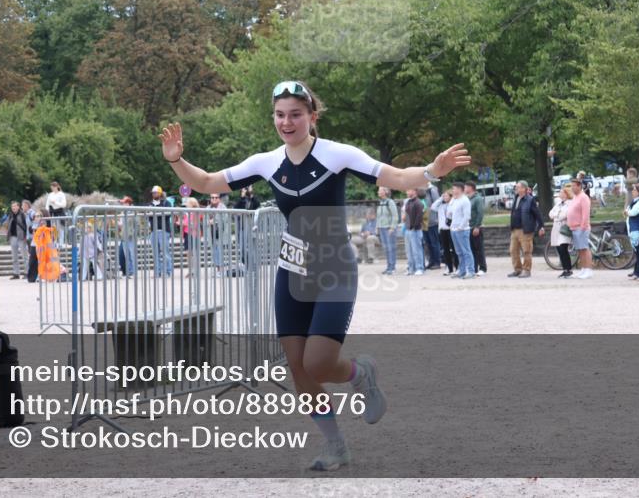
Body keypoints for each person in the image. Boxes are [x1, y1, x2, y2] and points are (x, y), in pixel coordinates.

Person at [157, 79, 470, 472]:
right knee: (299, 369)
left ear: (312, 117)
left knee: (320, 363)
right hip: (291, 272)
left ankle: (360, 372)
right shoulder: (266, 162)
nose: (286, 122)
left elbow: (396, 177)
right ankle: (335, 445)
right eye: (280, 115)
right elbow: (205, 183)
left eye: (295, 114)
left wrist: (430, 170)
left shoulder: (337, 154)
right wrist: (176, 160)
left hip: (335, 267)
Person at [507, 181, 545, 278]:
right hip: (515, 230)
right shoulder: (516, 198)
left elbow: (537, 214)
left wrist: (541, 226)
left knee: (526, 251)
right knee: (513, 250)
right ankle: (517, 269)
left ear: (524, 189)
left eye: (518, 187)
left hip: (525, 230)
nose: (516, 188)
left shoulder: (530, 200)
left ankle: (526, 270)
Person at [567, 178, 593, 279]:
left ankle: (589, 269)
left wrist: (583, 227)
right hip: (574, 227)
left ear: (579, 186)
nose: (572, 188)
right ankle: (583, 268)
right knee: (580, 250)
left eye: (573, 186)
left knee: (585, 249)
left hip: (581, 227)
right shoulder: (575, 197)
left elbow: (585, 213)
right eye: (571, 186)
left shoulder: (583, 197)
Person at [148, 185, 175, 277]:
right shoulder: (151, 204)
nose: (154, 194)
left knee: (165, 252)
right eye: (153, 193)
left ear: (160, 193)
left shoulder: (166, 203)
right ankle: (157, 272)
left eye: (155, 192)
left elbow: (167, 215)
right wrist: (157, 214)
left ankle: (168, 271)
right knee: (155, 253)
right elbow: (149, 217)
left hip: (164, 230)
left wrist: (154, 213)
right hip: (154, 231)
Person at [448, 182, 474, 278]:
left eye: (454, 188)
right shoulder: (455, 200)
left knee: (466, 251)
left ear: (459, 189)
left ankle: (470, 271)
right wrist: (451, 201)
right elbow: (449, 213)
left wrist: (460, 227)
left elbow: (467, 216)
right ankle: (462, 270)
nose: (453, 190)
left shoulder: (465, 200)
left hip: (462, 230)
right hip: (453, 229)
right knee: (458, 252)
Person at [549, 186, 574, 278]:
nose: (560, 194)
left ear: (566, 194)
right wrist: (556, 215)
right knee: (559, 250)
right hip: (556, 228)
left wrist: (556, 215)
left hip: (564, 228)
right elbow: (550, 213)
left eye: (561, 192)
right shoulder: (558, 203)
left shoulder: (570, 204)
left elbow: (564, 215)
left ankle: (569, 269)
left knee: (563, 249)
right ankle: (565, 269)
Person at [464, 181, 487, 276]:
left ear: (471, 188)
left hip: (475, 227)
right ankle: (474, 267)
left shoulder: (477, 199)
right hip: (468, 227)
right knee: (472, 249)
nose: (464, 189)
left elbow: (480, 213)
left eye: (465, 187)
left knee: (479, 248)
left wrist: (477, 226)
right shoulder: (467, 198)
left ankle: (483, 268)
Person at [375, 187, 399, 275]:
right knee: (386, 248)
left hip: (388, 228)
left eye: (379, 190)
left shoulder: (390, 202)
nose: (378, 192)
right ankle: (389, 267)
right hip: (381, 228)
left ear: (385, 192)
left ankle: (392, 267)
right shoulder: (381, 202)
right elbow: (378, 217)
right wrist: (377, 227)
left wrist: (392, 227)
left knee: (391, 248)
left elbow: (395, 216)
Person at [402, 189, 425, 275]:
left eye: (409, 190)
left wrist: (414, 227)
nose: (407, 192)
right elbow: (406, 214)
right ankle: (411, 268)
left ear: (414, 191)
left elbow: (419, 217)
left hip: (415, 230)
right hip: (407, 229)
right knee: (409, 251)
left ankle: (419, 268)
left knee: (417, 250)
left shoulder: (418, 203)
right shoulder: (408, 202)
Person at [434, 190, 457, 275]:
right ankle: (449, 267)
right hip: (442, 229)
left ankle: (457, 266)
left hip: (451, 229)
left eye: (446, 196)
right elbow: (433, 207)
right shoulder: (440, 206)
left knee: (454, 249)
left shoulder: (452, 205)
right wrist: (441, 198)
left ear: (451, 197)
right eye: (443, 196)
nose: (444, 197)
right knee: (445, 249)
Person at [6, 201, 29, 280]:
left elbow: (26, 225)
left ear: (18, 207)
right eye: (12, 206)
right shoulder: (10, 215)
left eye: (15, 206)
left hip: (21, 237)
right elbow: (8, 225)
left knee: (24, 256)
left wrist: (26, 236)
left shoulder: (22, 215)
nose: (13, 208)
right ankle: (16, 273)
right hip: (13, 237)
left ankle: (27, 272)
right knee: (14, 257)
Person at [117, 196, 137, 277]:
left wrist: (133, 233)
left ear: (128, 203)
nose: (123, 205)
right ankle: (129, 272)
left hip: (131, 237)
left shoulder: (133, 211)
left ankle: (134, 272)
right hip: (124, 236)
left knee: (132, 255)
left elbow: (136, 224)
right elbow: (122, 225)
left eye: (124, 203)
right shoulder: (123, 212)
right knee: (127, 256)